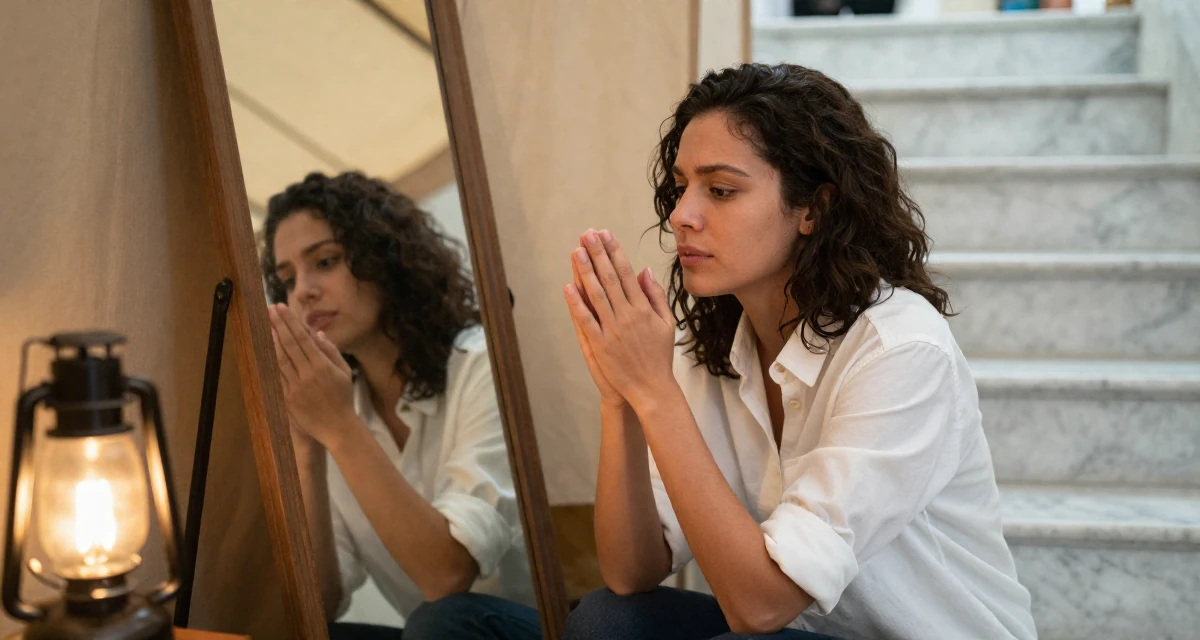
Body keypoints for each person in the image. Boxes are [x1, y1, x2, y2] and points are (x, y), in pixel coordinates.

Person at [560, 64, 1036, 639]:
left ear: (814, 208)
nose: (682, 214)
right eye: (681, 187)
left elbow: (761, 607)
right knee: (606, 621)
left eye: (720, 190)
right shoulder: (709, 345)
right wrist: (621, 397)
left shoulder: (902, 350)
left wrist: (655, 394)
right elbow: (630, 570)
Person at [262, 171, 540, 640]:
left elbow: (447, 576)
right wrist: (305, 449)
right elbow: (318, 603)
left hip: (531, 627)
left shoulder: (479, 363)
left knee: (440, 620)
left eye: (325, 261)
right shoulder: (336, 405)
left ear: (385, 259)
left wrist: (338, 427)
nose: (303, 291)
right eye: (287, 279)